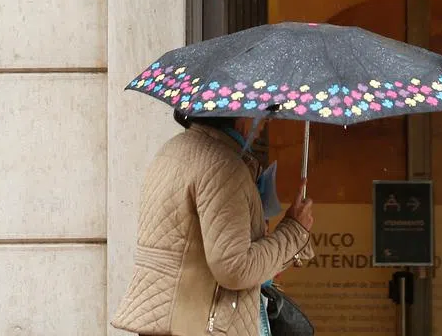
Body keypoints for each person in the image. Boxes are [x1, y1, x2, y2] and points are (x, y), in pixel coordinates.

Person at [112, 111, 315, 336]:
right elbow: (234, 268)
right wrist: (295, 231)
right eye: (263, 110)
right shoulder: (224, 167)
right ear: (241, 113)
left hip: (172, 322)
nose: (267, 119)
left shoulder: (172, 151)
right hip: (201, 326)